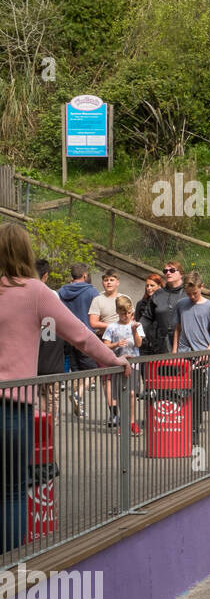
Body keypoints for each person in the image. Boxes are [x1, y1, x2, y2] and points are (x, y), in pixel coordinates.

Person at [0, 224, 128, 552]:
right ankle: (10, 573)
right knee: (13, 490)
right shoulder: (35, 291)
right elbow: (81, 335)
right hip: (15, 407)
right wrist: (113, 361)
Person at [173, 271, 210, 446]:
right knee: (180, 393)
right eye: (189, 294)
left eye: (195, 293)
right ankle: (182, 426)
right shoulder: (181, 305)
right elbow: (178, 329)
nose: (192, 297)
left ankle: (193, 431)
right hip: (183, 355)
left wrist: (208, 352)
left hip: (201, 357)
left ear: (202, 287)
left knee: (196, 395)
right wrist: (174, 352)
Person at [89, 270, 132, 423]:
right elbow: (93, 323)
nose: (108, 282)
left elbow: (131, 318)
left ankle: (128, 414)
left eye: (111, 280)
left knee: (125, 376)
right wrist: (114, 326)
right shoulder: (98, 300)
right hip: (104, 342)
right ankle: (113, 414)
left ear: (117, 282)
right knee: (107, 379)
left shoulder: (125, 299)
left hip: (125, 343)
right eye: (106, 280)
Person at [57, 262, 99, 417]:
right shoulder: (92, 292)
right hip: (86, 336)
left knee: (77, 373)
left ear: (71, 276)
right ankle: (77, 397)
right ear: (85, 275)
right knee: (93, 372)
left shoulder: (61, 291)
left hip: (67, 336)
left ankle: (79, 406)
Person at [102, 295, 144, 436]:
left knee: (132, 393)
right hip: (117, 364)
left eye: (128, 313)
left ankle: (131, 422)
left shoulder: (136, 325)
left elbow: (139, 344)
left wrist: (133, 331)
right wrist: (116, 344)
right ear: (118, 312)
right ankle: (125, 422)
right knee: (120, 395)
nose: (126, 316)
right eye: (122, 313)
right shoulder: (112, 327)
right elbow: (105, 346)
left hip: (133, 365)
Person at [34, 259, 66, 422]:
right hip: (51, 352)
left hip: (37, 355)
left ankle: (44, 419)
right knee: (52, 393)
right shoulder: (52, 295)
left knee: (42, 393)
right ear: (45, 276)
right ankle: (51, 419)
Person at [140, 259, 186, 355]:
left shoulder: (188, 293)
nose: (168, 273)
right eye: (165, 271)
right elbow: (147, 318)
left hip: (184, 344)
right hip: (161, 345)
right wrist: (137, 332)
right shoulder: (158, 294)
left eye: (172, 270)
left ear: (181, 274)